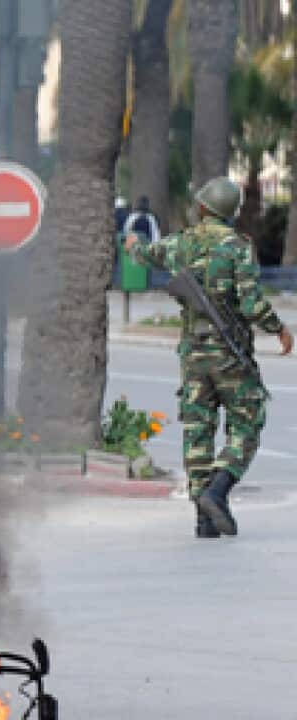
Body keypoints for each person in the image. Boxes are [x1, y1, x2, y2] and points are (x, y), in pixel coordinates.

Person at [126, 177, 294, 538]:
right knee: (248, 421)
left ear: (204, 207)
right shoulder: (237, 248)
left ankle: (203, 518)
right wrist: (278, 328)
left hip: (193, 356)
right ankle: (217, 492)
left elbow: (145, 255)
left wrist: (133, 244)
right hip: (230, 355)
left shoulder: (181, 244)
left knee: (198, 431)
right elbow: (251, 304)